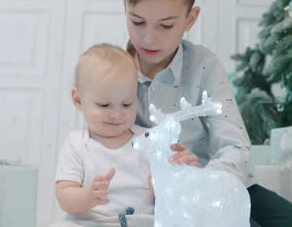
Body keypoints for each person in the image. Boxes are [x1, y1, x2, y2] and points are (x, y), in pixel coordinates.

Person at [123, 0, 292, 226]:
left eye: (165, 25)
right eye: (137, 22)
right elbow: (103, 141)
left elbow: (234, 146)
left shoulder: (204, 64)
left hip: (218, 184)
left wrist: (206, 181)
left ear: (190, 19)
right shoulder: (113, 70)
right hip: (154, 195)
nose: (149, 38)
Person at [53, 43, 199, 226]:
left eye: (127, 104)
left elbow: (176, 197)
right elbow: (64, 197)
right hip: (91, 222)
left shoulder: (150, 141)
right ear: (78, 99)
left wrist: (167, 185)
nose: (117, 114)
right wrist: (88, 196)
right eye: (104, 105)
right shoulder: (77, 144)